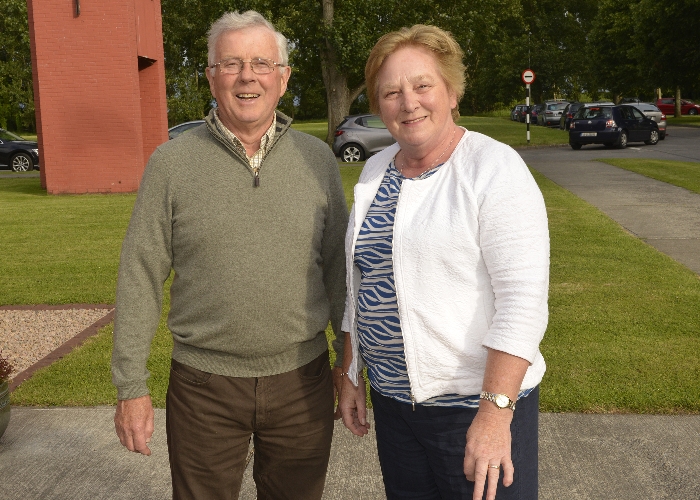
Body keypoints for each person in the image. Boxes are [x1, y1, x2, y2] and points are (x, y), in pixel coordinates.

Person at [111, 10, 348, 500]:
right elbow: (140, 274)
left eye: (261, 63)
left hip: (302, 383)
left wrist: (349, 366)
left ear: (283, 78)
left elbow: (340, 275)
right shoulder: (171, 164)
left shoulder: (318, 161)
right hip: (203, 388)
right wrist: (130, 386)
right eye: (231, 63)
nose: (247, 76)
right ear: (211, 76)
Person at [338, 25, 549, 500]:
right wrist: (350, 372)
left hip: (471, 410)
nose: (408, 102)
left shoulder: (493, 167)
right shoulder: (375, 170)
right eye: (391, 92)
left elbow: (523, 304)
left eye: (422, 85)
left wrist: (494, 414)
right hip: (395, 408)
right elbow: (360, 282)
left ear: (452, 93)